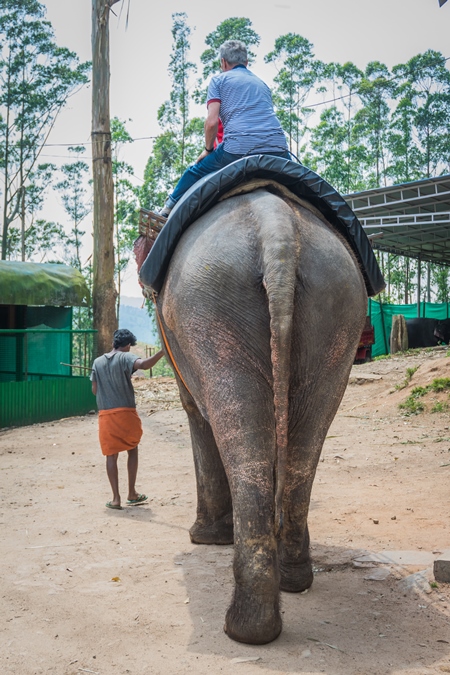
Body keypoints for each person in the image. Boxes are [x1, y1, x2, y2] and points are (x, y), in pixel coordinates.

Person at [158, 39, 290, 218]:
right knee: (303, 182)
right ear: (246, 62)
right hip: (278, 148)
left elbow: (212, 123)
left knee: (193, 172)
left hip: (237, 149)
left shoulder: (218, 80)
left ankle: (167, 209)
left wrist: (208, 150)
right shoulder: (262, 84)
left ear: (224, 63)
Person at [91, 328, 164, 510]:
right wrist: (164, 350)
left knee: (111, 455)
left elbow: (94, 390)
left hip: (106, 415)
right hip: (126, 413)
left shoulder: (97, 362)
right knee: (132, 449)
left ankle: (116, 499)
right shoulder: (126, 357)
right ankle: (132, 493)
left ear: (113, 343)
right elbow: (145, 365)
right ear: (128, 345)